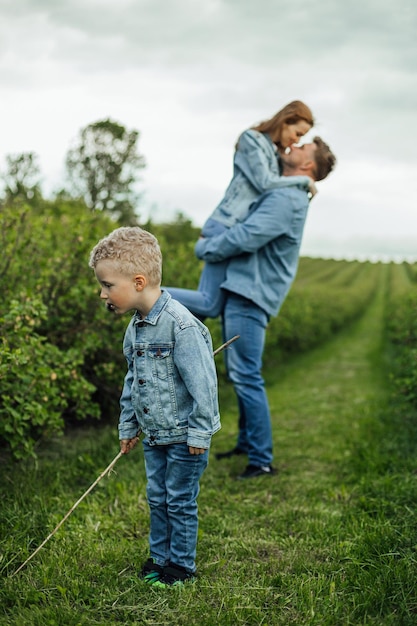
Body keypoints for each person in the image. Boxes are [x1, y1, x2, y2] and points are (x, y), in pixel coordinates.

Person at [195, 137, 337, 479]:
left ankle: (261, 460)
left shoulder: (288, 198)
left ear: (307, 166)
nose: (295, 145)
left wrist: (208, 248)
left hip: (251, 293)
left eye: (303, 147)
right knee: (240, 371)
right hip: (246, 288)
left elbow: (247, 236)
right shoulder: (288, 190)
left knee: (246, 375)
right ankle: (247, 442)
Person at [88, 226, 220, 587]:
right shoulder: (136, 329)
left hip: (183, 436)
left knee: (179, 501)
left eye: (108, 285)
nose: (102, 294)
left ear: (139, 281)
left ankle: (180, 566)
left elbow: (204, 384)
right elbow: (133, 381)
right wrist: (128, 426)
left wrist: (200, 431)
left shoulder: (182, 326)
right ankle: (160, 559)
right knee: (157, 498)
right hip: (154, 435)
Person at [166, 100, 316, 319]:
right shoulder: (252, 140)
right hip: (225, 224)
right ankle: (147, 296)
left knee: (210, 308)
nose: (297, 140)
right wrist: (303, 180)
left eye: (302, 137)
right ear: (286, 120)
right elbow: (265, 183)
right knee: (208, 303)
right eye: (297, 132)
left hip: (235, 229)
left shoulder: (275, 155)